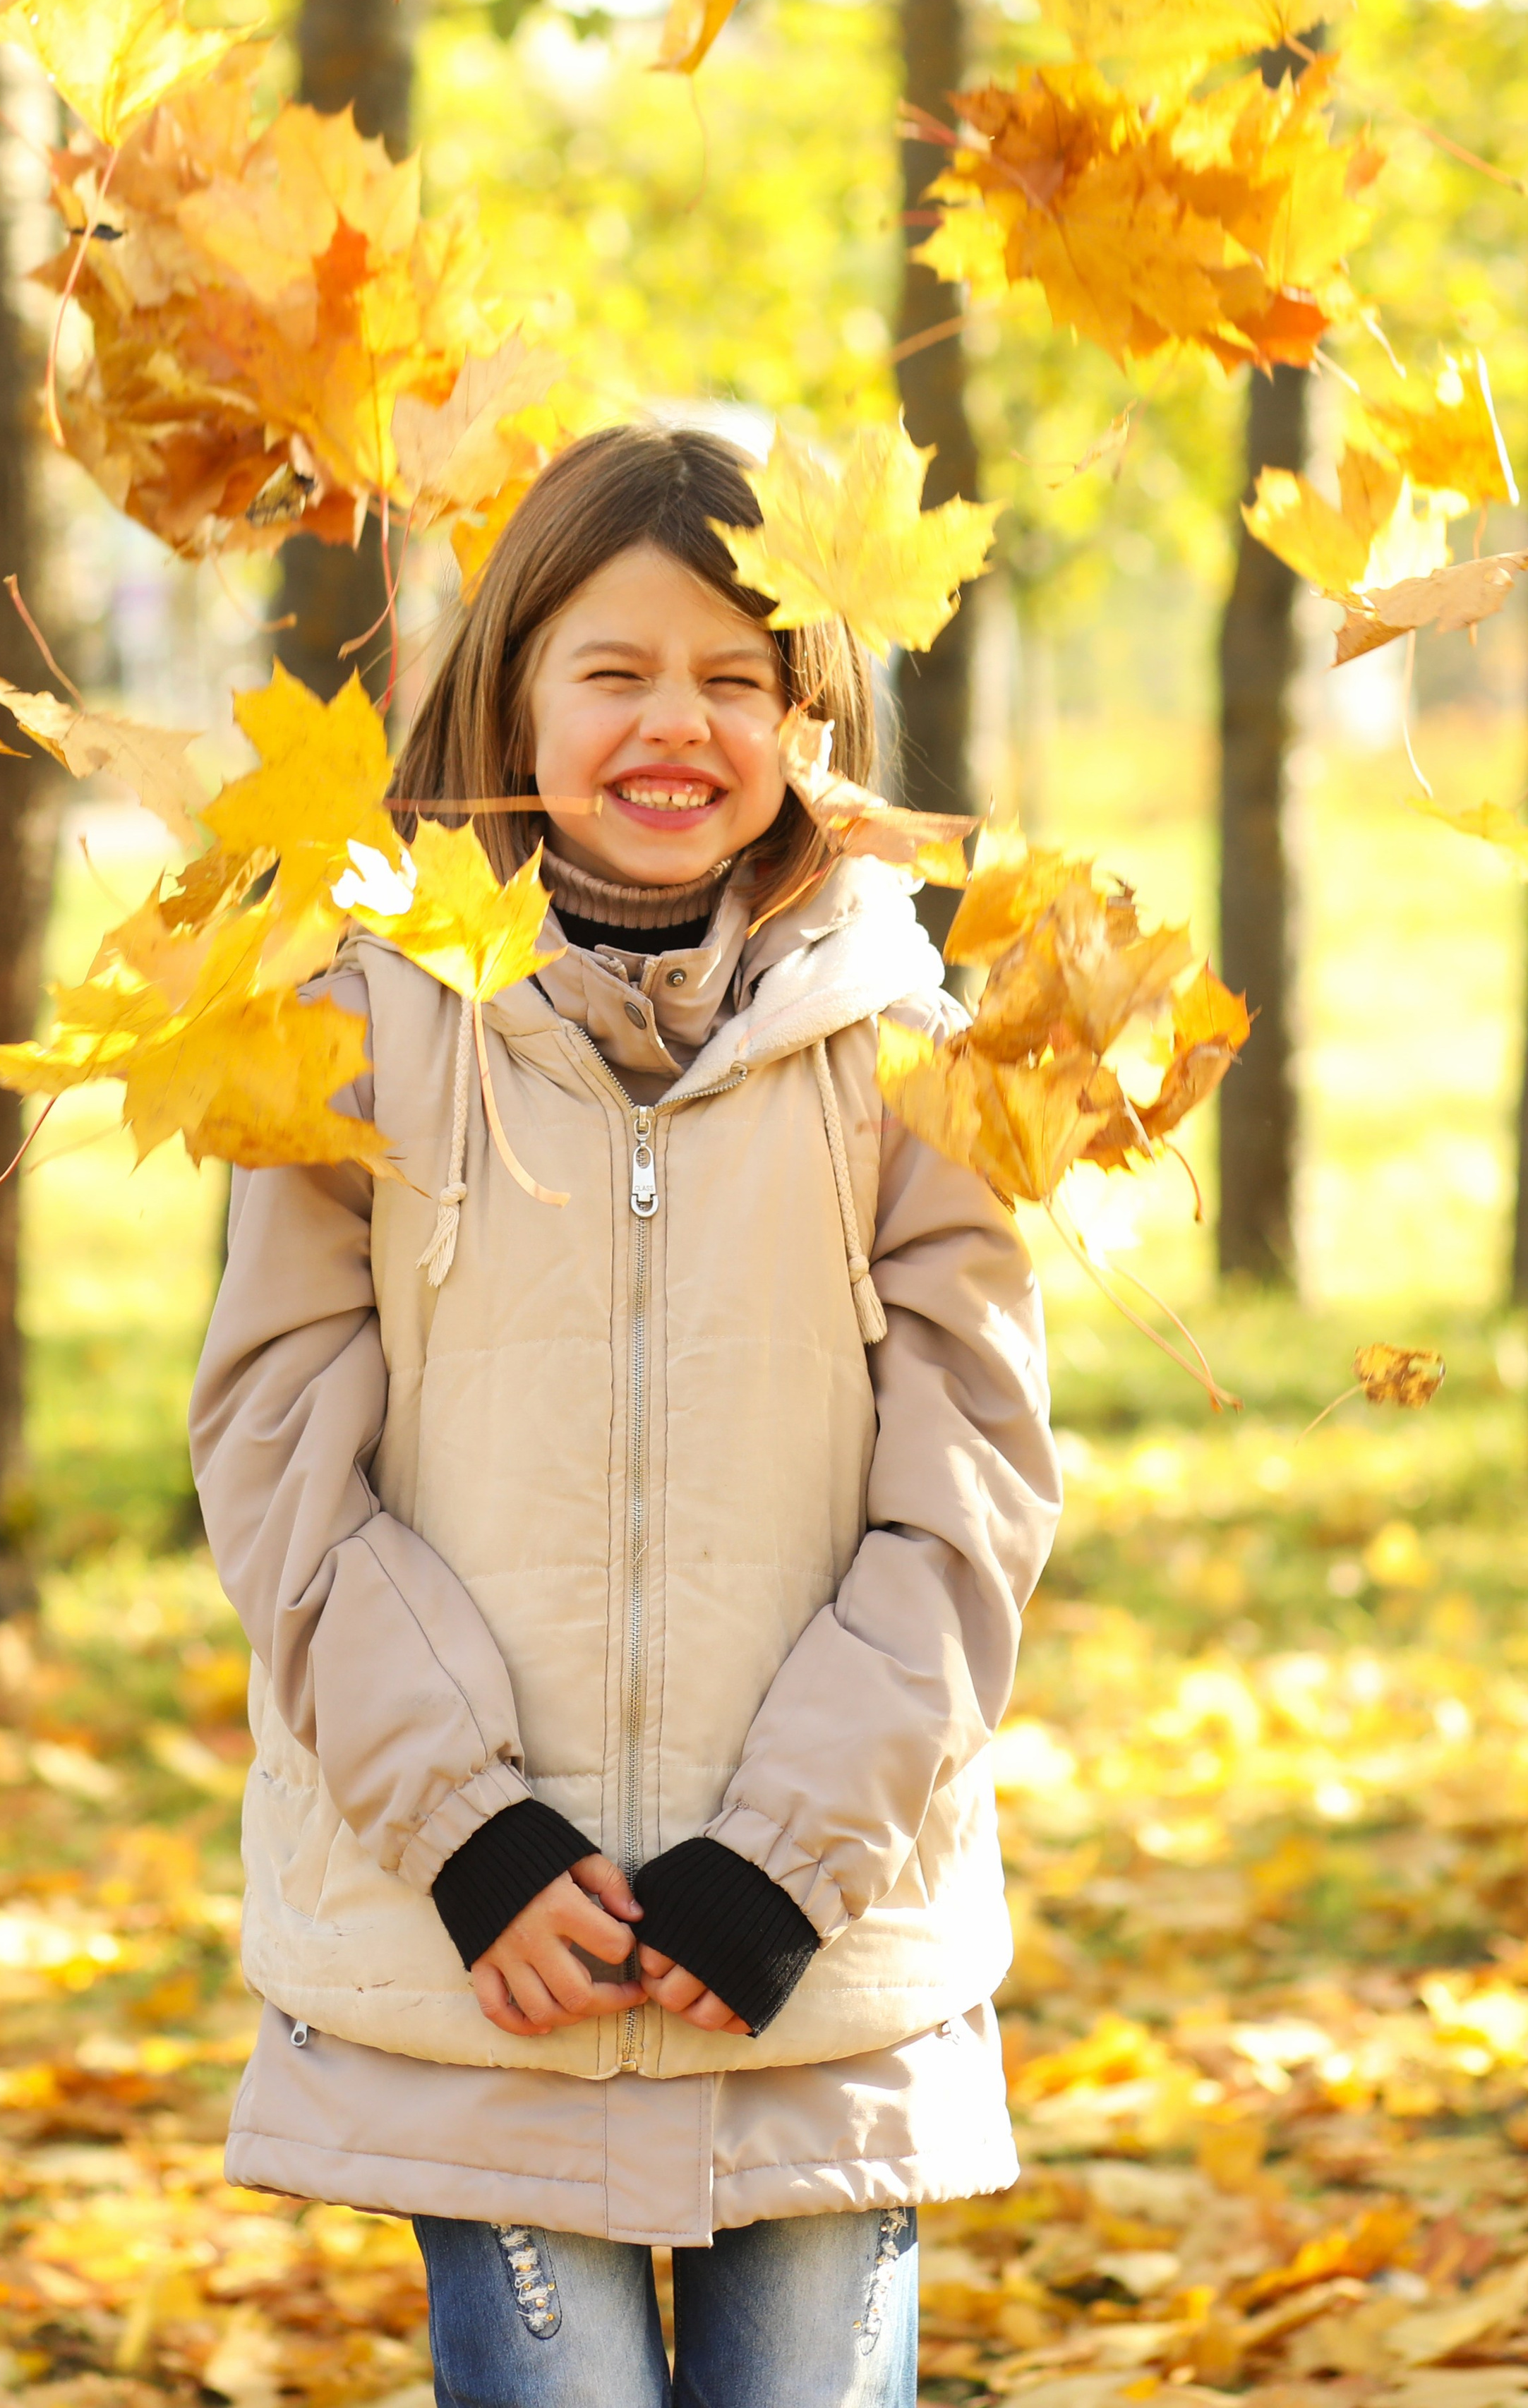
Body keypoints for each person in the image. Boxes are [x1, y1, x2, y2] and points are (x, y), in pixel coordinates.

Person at [191, 423, 1061, 2408]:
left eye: (737, 680)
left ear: (808, 715)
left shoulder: (911, 1052)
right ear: (507, 688)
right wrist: (467, 1834)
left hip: (817, 1956)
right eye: (617, 670)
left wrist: (794, 1859)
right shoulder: (365, 1016)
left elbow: (974, 1489)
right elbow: (280, 1449)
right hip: (492, 1947)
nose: (679, 722)